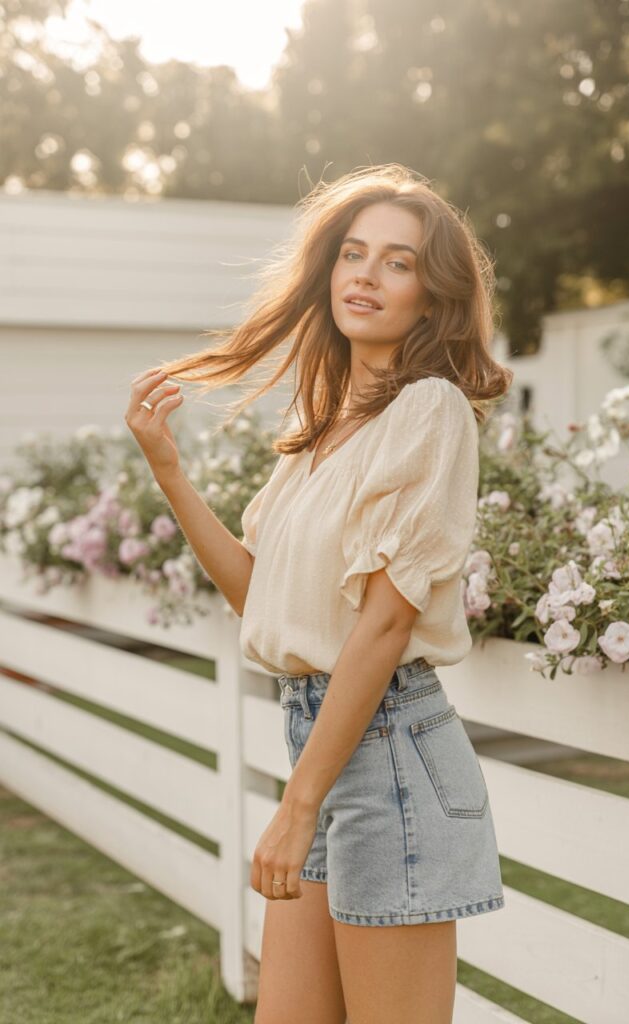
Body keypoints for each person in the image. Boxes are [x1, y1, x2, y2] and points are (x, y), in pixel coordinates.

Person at [125, 163, 513, 1024]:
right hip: (325, 748)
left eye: (398, 262)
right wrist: (170, 472)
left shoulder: (430, 412)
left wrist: (296, 808)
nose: (366, 275)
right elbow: (260, 601)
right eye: (353, 252)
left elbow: (381, 629)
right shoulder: (321, 429)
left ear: (433, 295)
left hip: (391, 760)